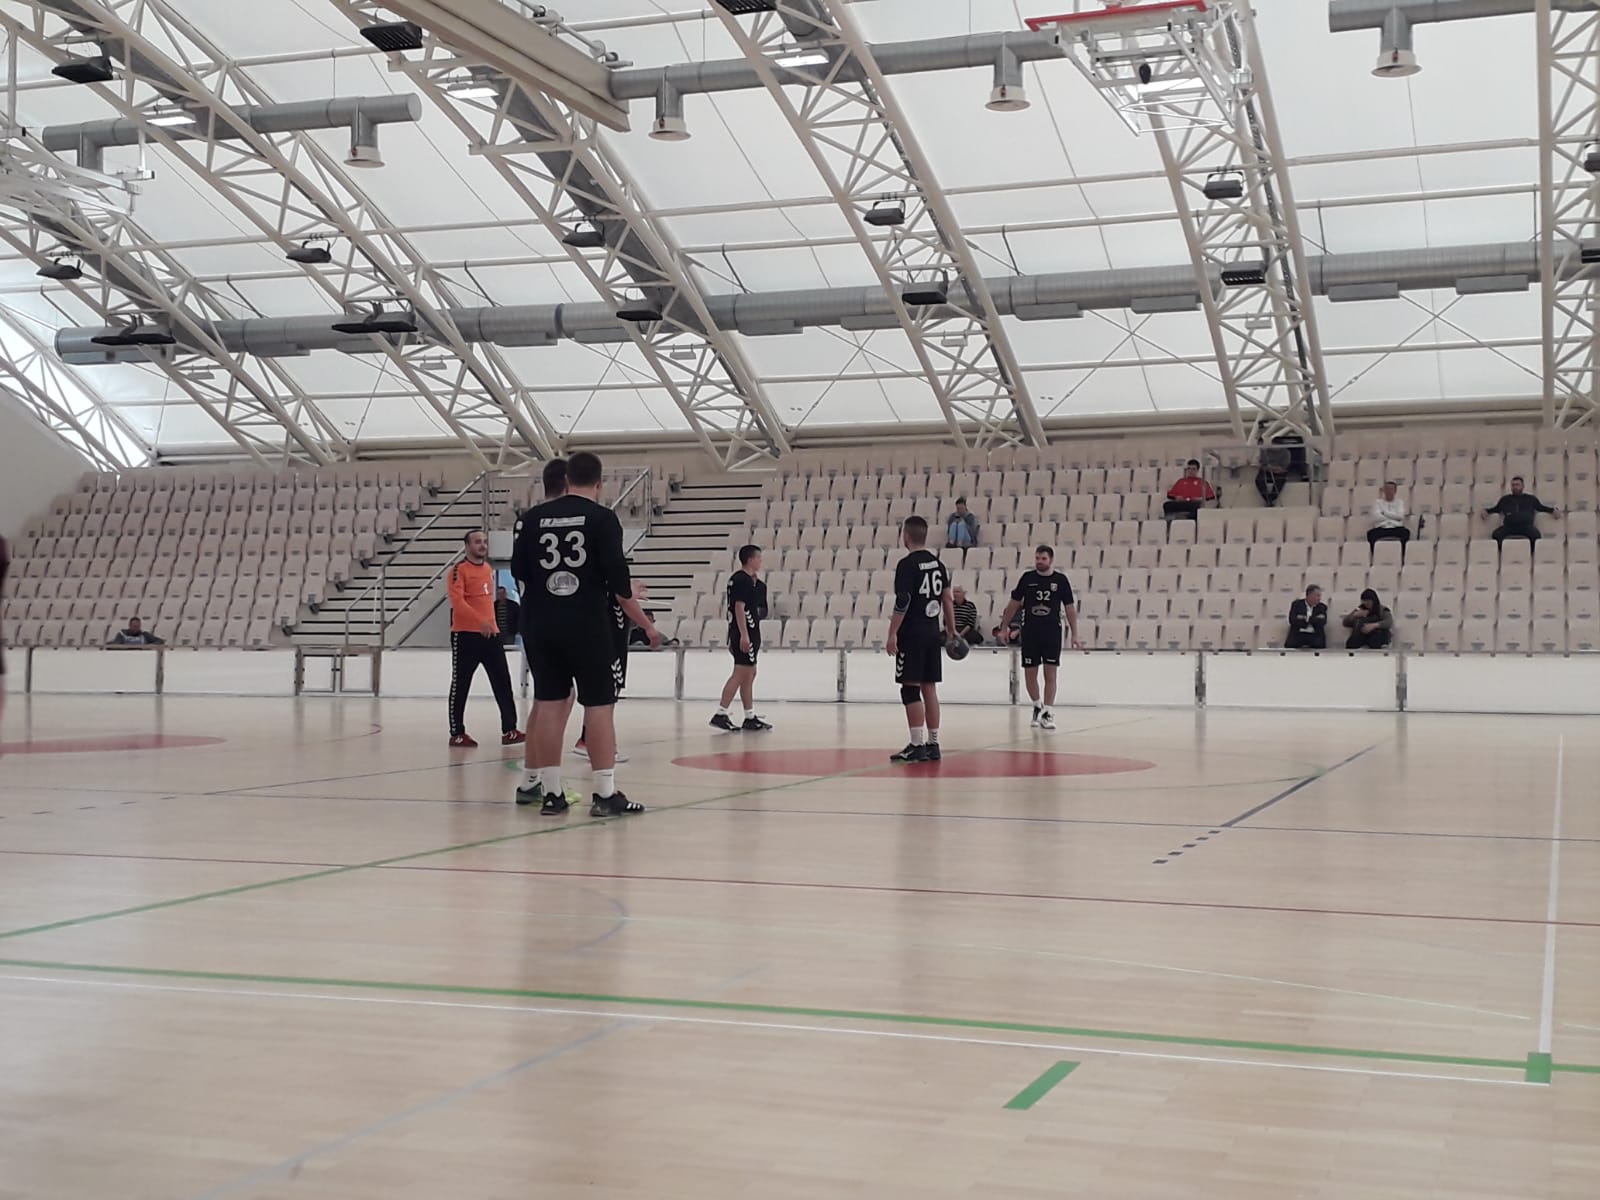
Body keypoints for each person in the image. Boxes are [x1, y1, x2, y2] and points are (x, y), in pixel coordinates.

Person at [510, 450, 659, 818]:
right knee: (598, 704)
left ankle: (551, 792)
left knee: (548, 703)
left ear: (566, 480)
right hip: (586, 624)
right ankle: (605, 793)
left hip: (540, 622)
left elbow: (520, 573)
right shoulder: (602, 519)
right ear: (599, 483)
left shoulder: (531, 519)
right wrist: (640, 613)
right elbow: (619, 582)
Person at [887, 516, 956, 764]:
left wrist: (892, 632)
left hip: (912, 632)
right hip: (932, 632)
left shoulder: (907, 565)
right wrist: (951, 629)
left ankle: (916, 745)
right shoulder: (938, 564)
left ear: (906, 536)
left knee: (910, 688)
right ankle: (933, 744)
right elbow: (947, 598)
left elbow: (903, 600)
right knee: (930, 687)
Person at [446, 530, 524, 749]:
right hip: (466, 635)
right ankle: (457, 733)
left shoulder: (488, 569)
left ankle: (510, 730)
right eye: (477, 542)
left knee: (502, 682)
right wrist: (479, 621)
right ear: (467, 546)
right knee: (461, 684)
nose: (482, 545)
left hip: (491, 635)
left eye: (484, 542)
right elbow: (458, 602)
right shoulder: (458, 570)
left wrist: (490, 624)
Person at [997, 545, 1083, 731]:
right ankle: (1037, 705)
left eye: (1043, 558)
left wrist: (1075, 633)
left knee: (1050, 674)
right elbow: (1013, 604)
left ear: (1051, 560)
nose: (1039, 561)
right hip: (1030, 632)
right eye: (1037, 558)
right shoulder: (1027, 579)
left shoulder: (1060, 580)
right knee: (1030, 674)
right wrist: (1004, 627)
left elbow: (1069, 608)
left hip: (1052, 633)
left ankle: (1048, 712)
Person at [575, 578, 646, 763]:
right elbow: (625, 599)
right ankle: (603, 747)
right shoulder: (609, 577)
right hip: (609, 643)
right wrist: (649, 627)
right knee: (606, 697)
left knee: (600, 696)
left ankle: (586, 740)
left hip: (606, 640)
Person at [711, 544, 772, 733]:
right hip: (744, 631)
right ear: (751, 559)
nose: (760, 561)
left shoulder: (748, 581)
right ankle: (721, 713)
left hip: (748, 631)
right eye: (758, 558)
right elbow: (739, 607)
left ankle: (749, 716)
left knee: (749, 673)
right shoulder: (741, 580)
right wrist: (744, 635)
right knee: (740, 672)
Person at [1485, 476, 1559, 546]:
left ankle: (1531, 554)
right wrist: (1486, 511)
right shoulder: (1505, 499)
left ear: (1523, 486)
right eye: (1513, 485)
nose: (1515, 487)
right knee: (1496, 534)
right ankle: (1501, 553)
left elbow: (1541, 507)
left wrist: (1552, 510)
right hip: (1509, 527)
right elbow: (1496, 509)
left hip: (1526, 526)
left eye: (1517, 485)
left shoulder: (1531, 499)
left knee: (1536, 535)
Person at [1367, 482, 1410, 556]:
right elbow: (1377, 517)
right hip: (1382, 528)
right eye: (1387, 489)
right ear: (1384, 490)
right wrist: (1393, 517)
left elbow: (1400, 517)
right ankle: (1375, 556)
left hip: (1396, 527)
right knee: (1370, 534)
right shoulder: (1378, 502)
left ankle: (1402, 556)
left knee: (1406, 533)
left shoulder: (1399, 502)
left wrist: (1384, 513)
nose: (1389, 491)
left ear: (1395, 491)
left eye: (1391, 489)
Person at [1285, 585, 1328, 650]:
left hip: (1314, 635)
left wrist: (1305, 618)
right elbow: (1292, 620)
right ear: (1309, 595)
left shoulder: (1322, 607)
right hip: (1298, 634)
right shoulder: (1297, 605)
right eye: (1317, 596)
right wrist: (1314, 619)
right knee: (1291, 643)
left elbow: (1322, 622)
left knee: (1319, 643)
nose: (1319, 598)